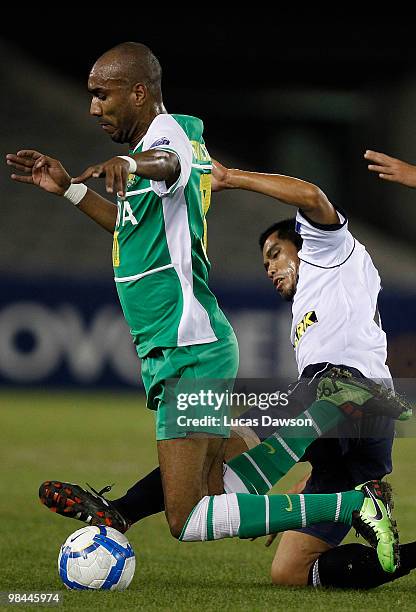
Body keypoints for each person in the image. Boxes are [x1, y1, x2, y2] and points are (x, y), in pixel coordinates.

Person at [6, 43, 408, 575]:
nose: (93, 108)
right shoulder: (305, 303)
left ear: (139, 91)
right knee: (253, 524)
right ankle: (124, 511)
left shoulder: (168, 139)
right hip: (300, 390)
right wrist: (70, 192)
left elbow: (171, 161)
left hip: (295, 377)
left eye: (102, 94)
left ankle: (126, 511)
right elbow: (133, 229)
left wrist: (141, 163)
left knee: (196, 508)